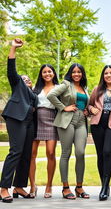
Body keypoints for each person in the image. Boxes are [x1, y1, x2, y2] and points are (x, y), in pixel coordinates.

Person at [0, 38, 38, 203]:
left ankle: (19, 186)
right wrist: (13, 48)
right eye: (23, 79)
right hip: (16, 118)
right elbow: (11, 70)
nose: (26, 80)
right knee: (15, 151)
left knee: (26, 154)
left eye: (28, 79)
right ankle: (3, 188)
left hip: (29, 123)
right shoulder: (18, 85)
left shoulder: (34, 95)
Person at [47, 63, 89, 199]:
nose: (77, 74)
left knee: (80, 153)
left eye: (79, 72)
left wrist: (87, 110)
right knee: (66, 153)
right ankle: (65, 188)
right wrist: (63, 107)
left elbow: (84, 103)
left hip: (82, 121)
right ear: (70, 73)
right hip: (67, 120)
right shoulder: (66, 84)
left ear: (82, 74)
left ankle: (79, 187)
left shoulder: (84, 87)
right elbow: (51, 95)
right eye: (74, 72)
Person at [88, 65, 111, 201]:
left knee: (107, 152)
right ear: (103, 76)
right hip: (98, 124)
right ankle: (104, 186)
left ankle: (105, 185)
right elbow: (89, 104)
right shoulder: (97, 89)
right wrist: (92, 110)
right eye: (106, 73)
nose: (108, 75)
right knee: (100, 154)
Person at [29, 64, 59, 198]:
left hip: (52, 119)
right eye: (44, 72)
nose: (47, 74)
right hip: (36, 121)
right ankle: (32, 186)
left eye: (49, 71)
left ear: (53, 73)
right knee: (32, 154)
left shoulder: (59, 88)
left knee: (51, 152)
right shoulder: (36, 89)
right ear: (41, 74)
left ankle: (49, 185)